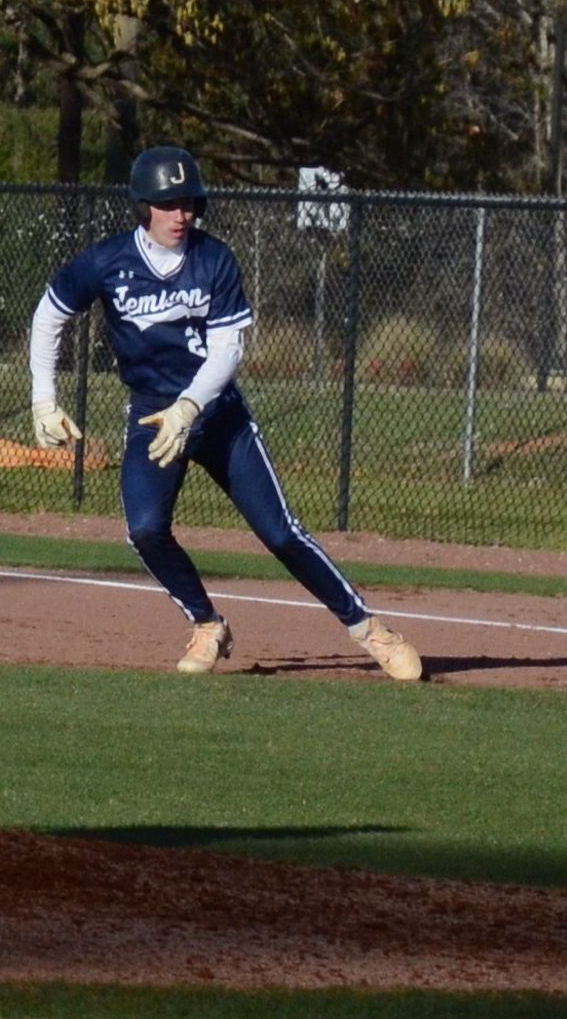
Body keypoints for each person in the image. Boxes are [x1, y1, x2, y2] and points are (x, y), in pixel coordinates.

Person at [28, 147, 425, 682]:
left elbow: (228, 350)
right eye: (168, 203)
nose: (181, 213)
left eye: (188, 202)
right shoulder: (107, 262)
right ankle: (207, 624)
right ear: (143, 206)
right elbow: (49, 315)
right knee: (145, 529)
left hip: (218, 416)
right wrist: (44, 399)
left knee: (280, 533)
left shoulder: (213, 259)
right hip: (152, 418)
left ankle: (370, 630)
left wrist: (189, 406)